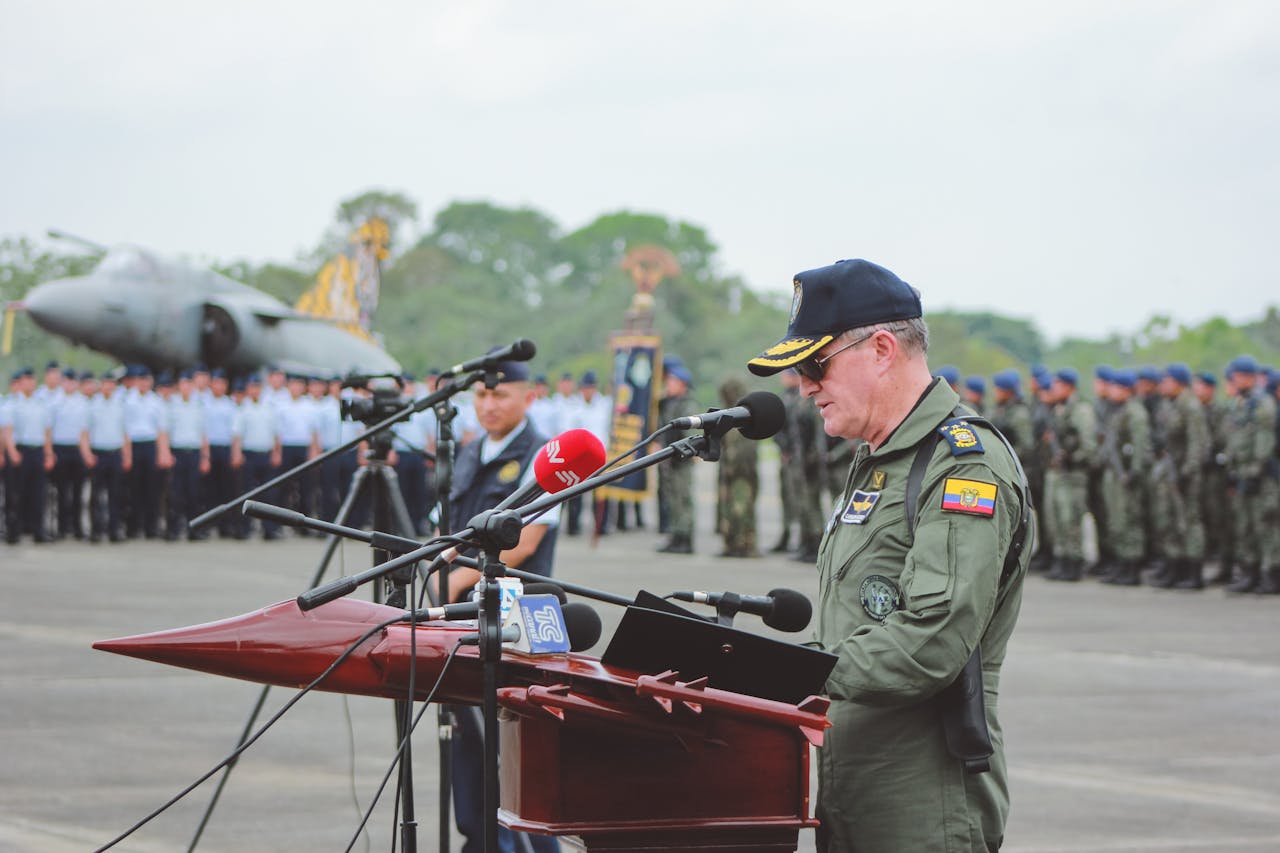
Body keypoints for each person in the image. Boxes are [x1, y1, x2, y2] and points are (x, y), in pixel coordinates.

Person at [747, 258, 1032, 852]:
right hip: (852, 786)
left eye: (814, 364)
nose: (803, 386)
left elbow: (931, 638)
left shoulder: (961, 463)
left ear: (880, 349)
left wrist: (789, 674)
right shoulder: (883, 458)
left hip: (923, 800)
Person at [432, 357, 559, 853]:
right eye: (481, 396)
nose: (488, 405)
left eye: (500, 395)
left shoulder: (544, 458)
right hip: (464, 627)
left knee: (517, 764)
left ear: (528, 397)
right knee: (468, 753)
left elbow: (524, 543)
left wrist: (450, 584)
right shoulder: (466, 453)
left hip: (517, 626)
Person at [1043, 368, 1096, 581]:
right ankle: (1063, 558)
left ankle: (1074, 561)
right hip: (1058, 473)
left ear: (1068, 387)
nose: (1053, 389)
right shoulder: (1059, 409)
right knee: (1056, 518)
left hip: (1073, 474)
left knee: (1070, 518)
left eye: (1057, 385)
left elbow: (1089, 445)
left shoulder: (1081, 411)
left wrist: (1074, 458)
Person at [654, 358, 699, 553]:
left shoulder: (687, 405)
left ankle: (685, 538)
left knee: (683, 499)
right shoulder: (669, 403)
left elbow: (690, 436)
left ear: (682, 384)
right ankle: (675, 536)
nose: (668, 384)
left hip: (682, 460)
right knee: (672, 499)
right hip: (670, 460)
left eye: (672, 381)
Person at [715, 376, 759, 557]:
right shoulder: (730, 415)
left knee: (742, 508)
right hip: (729, 472)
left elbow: (747, 449)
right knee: (729, 509)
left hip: (742, 473)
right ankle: (731, 542)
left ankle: (745, 544)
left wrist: (736, 465)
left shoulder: (746, 416)